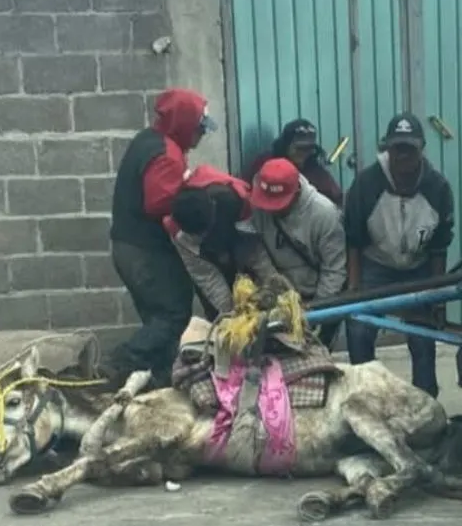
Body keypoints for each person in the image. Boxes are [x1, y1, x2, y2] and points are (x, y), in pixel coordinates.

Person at [105, 87, 216, 388]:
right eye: (199, 129)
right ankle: (120, 363)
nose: (201, 135)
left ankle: (159, 382)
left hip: (127, 246)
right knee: (173, 315)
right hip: (145, 251)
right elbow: (159, 204)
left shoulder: (148, 140)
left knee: (157, 320)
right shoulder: (167, 155)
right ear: (183, 123)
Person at [343, 113, 455, 397]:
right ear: (387, 148)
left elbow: (439, 246)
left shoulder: (438, 188)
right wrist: (355, 288)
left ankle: (426, 400)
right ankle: (365, 396)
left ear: (421, 149)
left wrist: (436, 293)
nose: (403, 157)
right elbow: (353, 239)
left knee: (422, 335)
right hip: (375, 264)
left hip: (418, 267)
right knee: (359, 329)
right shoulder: (366, 184)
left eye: (410, 149)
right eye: (397, 149)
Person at [248, 158, 347, 347]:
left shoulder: (324, 214)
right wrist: (273, 283)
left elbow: (334, 270)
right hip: (277, 295)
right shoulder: (257, 205)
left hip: (317, 295)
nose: (271, 209)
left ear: (296, 193)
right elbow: (256, 251)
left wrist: (316, 314)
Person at [164, 165, 280, 321]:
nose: (206, 234)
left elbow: (254, 248)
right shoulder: (178, 233)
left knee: (269, 292)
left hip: (239, 239)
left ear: (213, 206)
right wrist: (232, 316)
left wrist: (274, 282)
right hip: (209, 258)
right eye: (200, 234)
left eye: (207, 229)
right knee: (221, 315)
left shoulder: (235, 200)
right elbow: (208, 278)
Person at [243, 119, 344, 208]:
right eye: (299, 148)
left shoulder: (316, 171)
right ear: (286, 145)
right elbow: (248, 193)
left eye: (308, 149)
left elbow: (336, 199)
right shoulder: (264, 164)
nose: (304, 153)